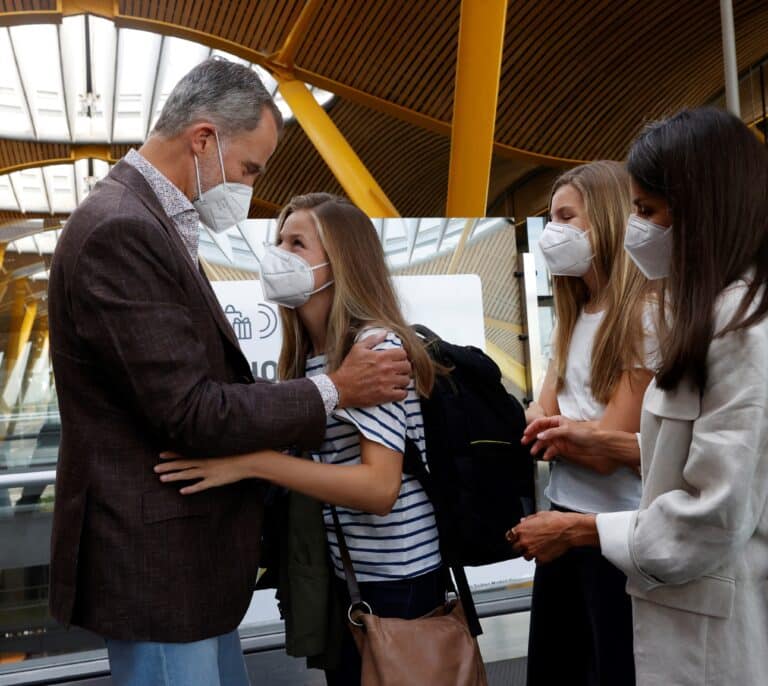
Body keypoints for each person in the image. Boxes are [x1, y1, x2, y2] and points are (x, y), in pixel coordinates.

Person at [48, 60, 411, 686]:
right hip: (159, 566)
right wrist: (337, 389)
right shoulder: (123, 228)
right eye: (250, 169)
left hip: (183, 563)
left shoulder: (146, 222)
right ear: (204, 139)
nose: (247, 187)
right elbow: (191, 410)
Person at [511, 107, 768, 686]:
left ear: (702, 211)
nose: (638, 229)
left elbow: (712, 514)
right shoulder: (709, 318)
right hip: (668, 585)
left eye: (648, 210)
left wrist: (582, 529)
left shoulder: (737, 329)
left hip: (702, 613)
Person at [156, 193, 445, 686]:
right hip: (349, 574)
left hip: (399, 578)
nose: (279, 255)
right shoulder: (310, 355)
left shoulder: (373, 348)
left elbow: (379, 489)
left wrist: (254, 463)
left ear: (343, 261)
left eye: (297, 243)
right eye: (279, 241)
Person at [518, 160, 658, 686]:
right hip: (563, 514)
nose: (553, 230)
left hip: (613, 536)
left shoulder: (644, 316)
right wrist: (563, 430)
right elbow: (540, 416)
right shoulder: (575, 314)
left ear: (606, 218)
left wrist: (561, 429)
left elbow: (604, 451)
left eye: (565, 216)